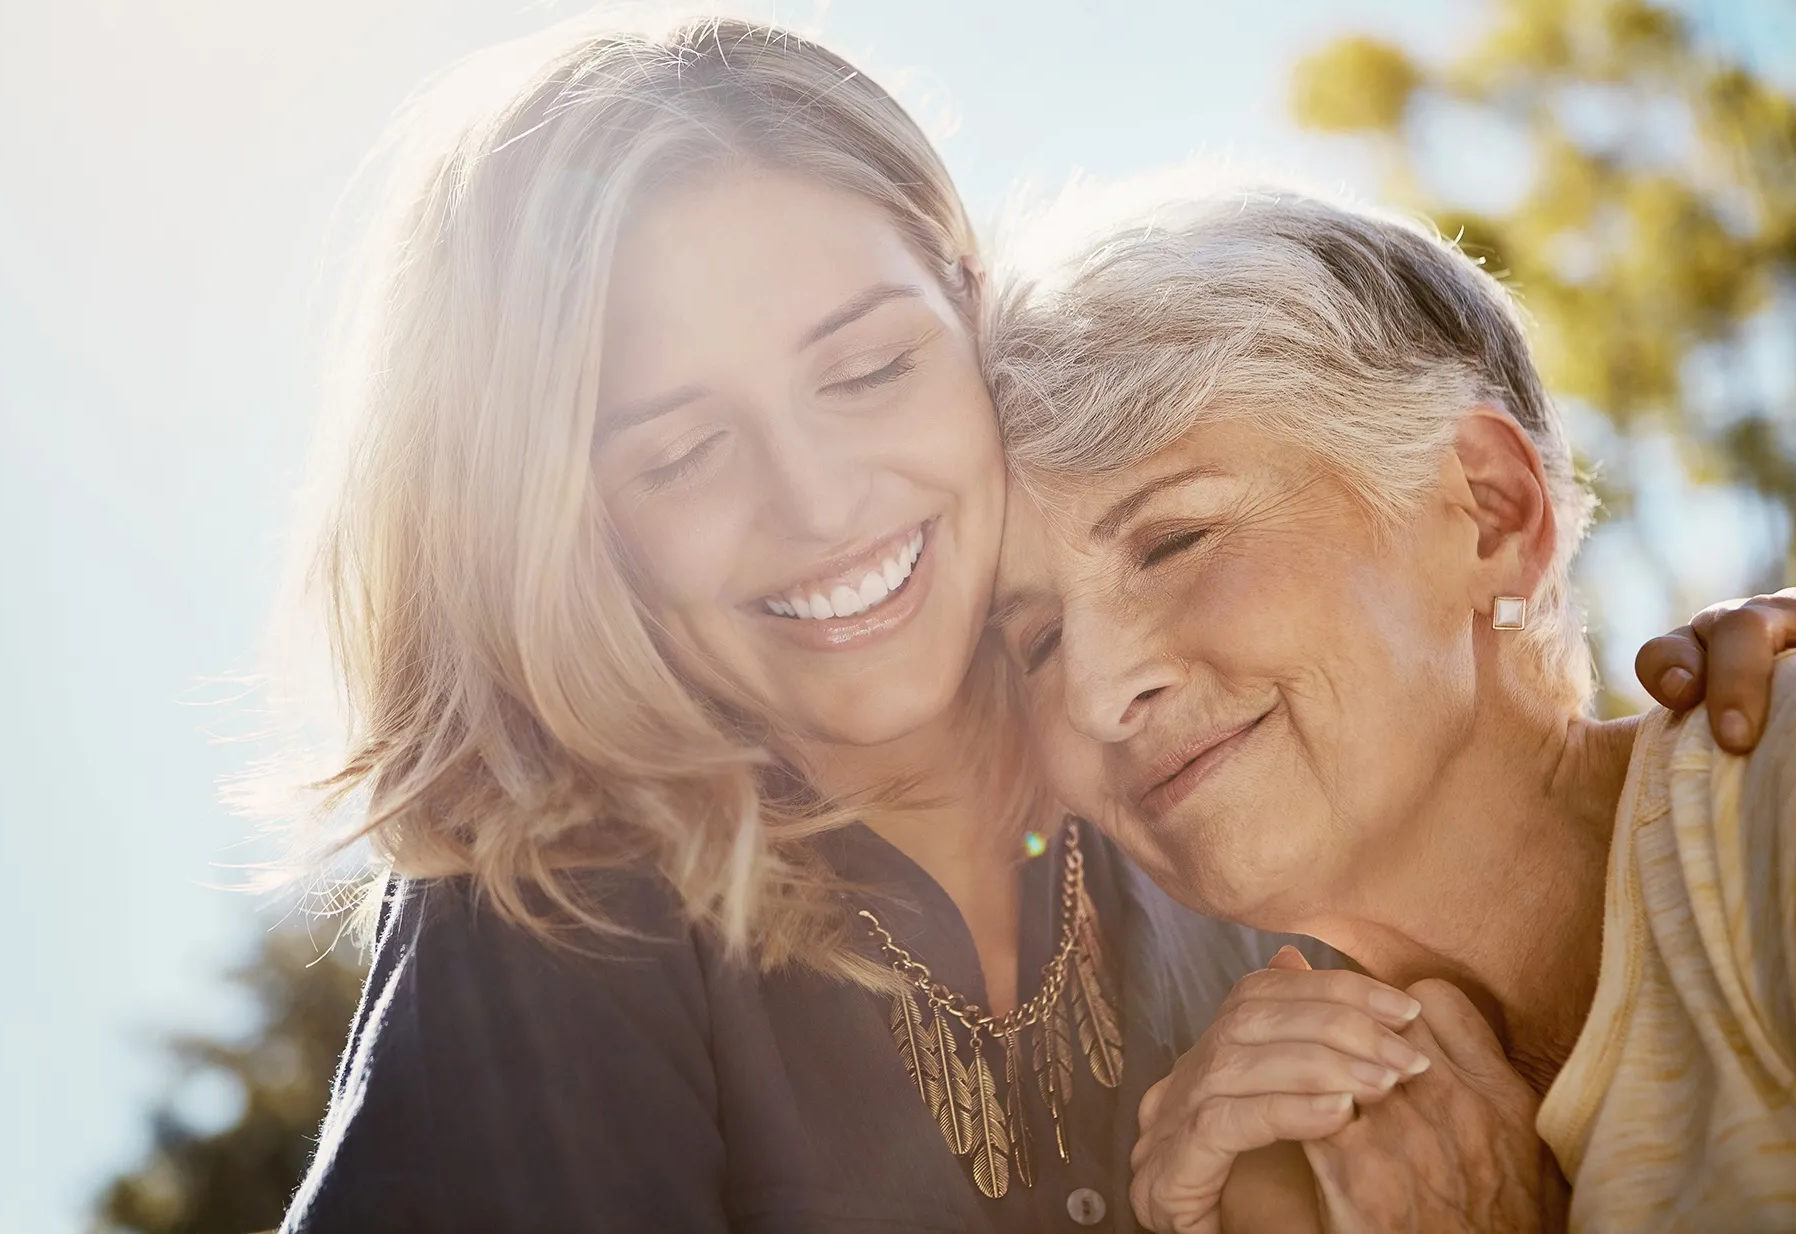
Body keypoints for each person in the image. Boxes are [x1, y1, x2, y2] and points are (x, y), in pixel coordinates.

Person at [268, 17, 1770, 1231]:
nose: (820, 500)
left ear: (961, 310)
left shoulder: (1266, 856)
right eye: (677, 453)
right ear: (567, 524)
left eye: (865, 370)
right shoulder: (565, 909)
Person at [982, 181, 1796, 1232]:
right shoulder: (1285, 1169)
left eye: (1174, 541)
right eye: (1037, 643)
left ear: (1488, 511)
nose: (1096, 693)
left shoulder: (1767, 802)